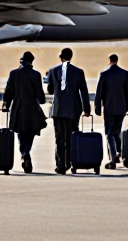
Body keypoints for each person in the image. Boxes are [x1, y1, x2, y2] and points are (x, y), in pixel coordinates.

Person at [45, 47, 90, 175]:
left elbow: (51, 90)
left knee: (59, 138)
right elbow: (84, 91)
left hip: (58, 110)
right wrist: (86, 109)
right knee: (71, 138)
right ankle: (70, 162)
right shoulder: (78, 72)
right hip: (73, 109)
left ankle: (60, 165)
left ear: (61, 57)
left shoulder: (53, 71)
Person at [2, 51, 47, 173]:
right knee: (30, 133)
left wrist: (6, 104)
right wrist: (42, 100)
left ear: (20, 61)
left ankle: (25, 154)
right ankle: (26, 153)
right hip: (32, 108)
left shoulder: (14, 73)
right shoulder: (36, 74)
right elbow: (40, 95)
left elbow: (8, 91)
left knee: (21, 134)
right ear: (31, 61)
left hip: (18, 108)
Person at [94, 53, 128, 170]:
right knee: (117, 131)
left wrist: (97, 108)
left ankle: (113, 156)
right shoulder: (124, 74)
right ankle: (122, 153)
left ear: (109, 61)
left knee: (109, 133)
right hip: (121, 108)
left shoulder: (104, 74)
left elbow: (99, 93)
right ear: (117, 60)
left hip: (109, 108)